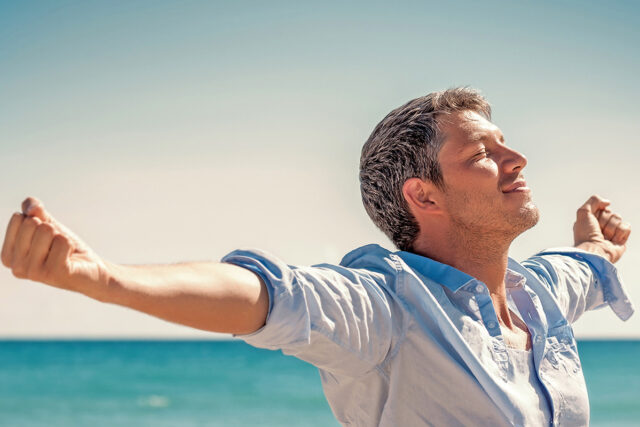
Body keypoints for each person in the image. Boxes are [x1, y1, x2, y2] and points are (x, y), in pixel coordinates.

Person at [1, 87, 633, 426]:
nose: (518, 159)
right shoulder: (390, 308)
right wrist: (105, 279)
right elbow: (268, 296)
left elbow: (583, 268)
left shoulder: (537, 292)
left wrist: (597, 246)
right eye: (482, 155)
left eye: (504, 144)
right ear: (424, 196)